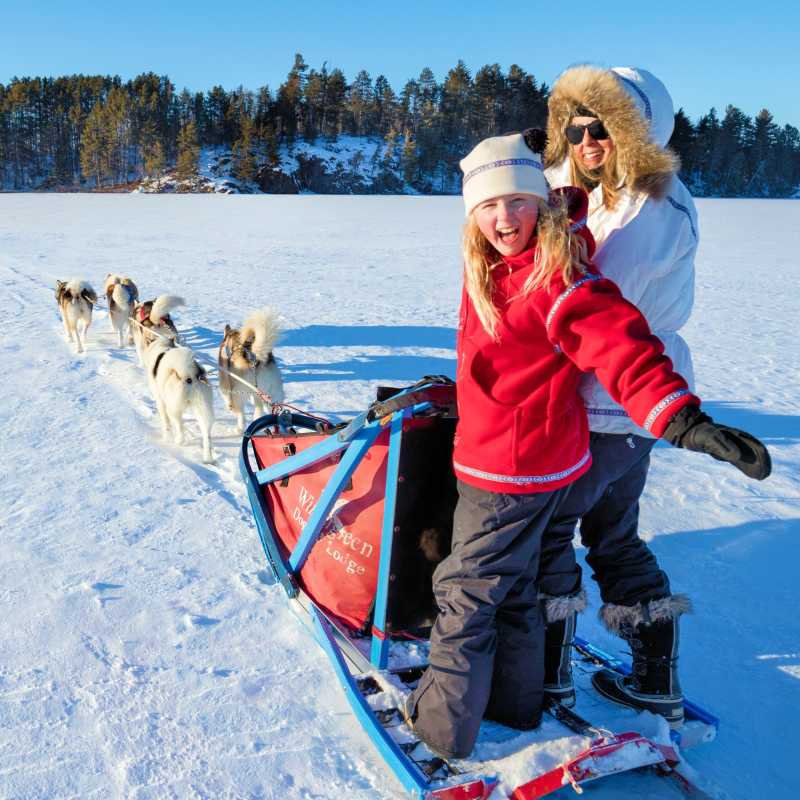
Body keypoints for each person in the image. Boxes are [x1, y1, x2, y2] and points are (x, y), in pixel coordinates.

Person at [403, 133, 769, 760]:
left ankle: (441, 728)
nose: (503, 218)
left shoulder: (559, 278)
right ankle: (515, 703)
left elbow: (620, 346)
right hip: (516, 455)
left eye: (518, 202)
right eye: (488, 205)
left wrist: (681, 419)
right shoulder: (492, 261)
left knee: (466, 591)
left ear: (540, 204)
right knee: (515, 585)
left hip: (511, 469)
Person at [535, 65, 748, 726]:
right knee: (613, 534)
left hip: (614, 397)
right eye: (575, 126)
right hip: (628, 407)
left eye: (603, 127)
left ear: (636, 133)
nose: (586, 140)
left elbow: (590, 303)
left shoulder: (649, 206)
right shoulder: (606, 193)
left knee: (549, 533)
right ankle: (655, 676)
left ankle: (545, 676)